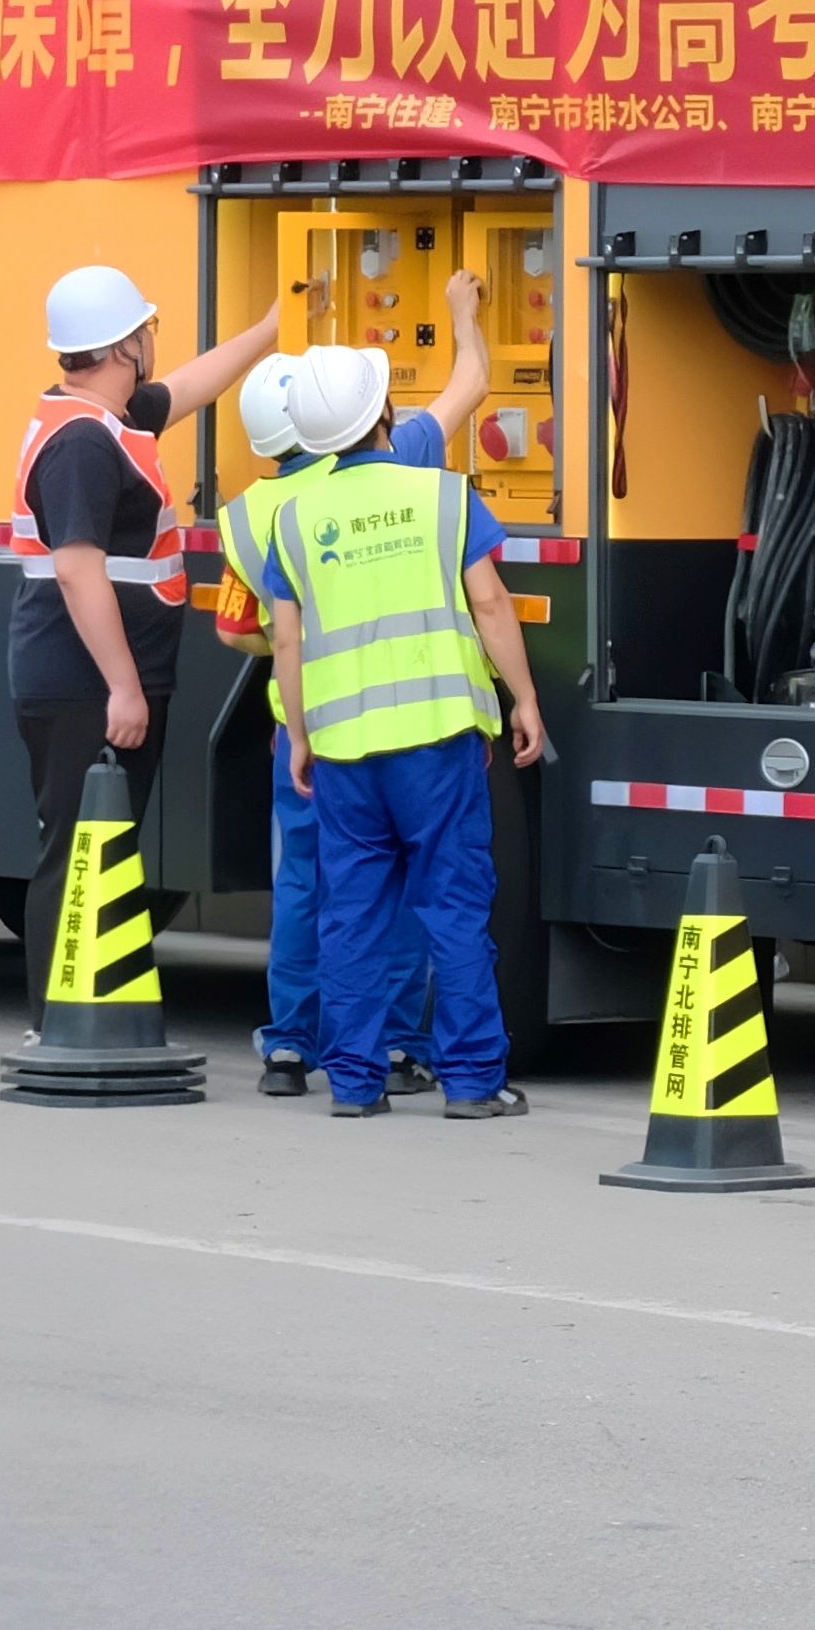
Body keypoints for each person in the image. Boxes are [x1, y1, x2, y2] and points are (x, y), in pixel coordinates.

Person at [246, 336, 551, 1116]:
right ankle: (473, 1082)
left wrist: (300, 737)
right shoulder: (443, 496)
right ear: (384, 410)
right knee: (452, 908)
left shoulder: (295, 519)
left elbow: (288, 642)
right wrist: (522, 698)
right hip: (439, 743)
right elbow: (491, 603)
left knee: (351, 914)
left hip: (344, 753)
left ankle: (354, 1084)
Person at [221, 281, 488, 1098]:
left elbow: (242, 630)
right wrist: (463, 315)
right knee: (403, 891)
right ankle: (399, 1044)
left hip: (306, 735)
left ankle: (292, 1047)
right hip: (414, 727)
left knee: (311, 889)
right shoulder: (404, 460)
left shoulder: (250, 515)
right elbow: (470, 384)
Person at [14, 262, 279, 1021]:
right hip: (85, 684)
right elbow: (77, 571)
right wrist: (124, 688)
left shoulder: (110, 419)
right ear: (123, 347)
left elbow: (190, 386)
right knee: (78, 852)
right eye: (146, 330)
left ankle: (89, 1014)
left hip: (97, 677)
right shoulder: (83, 444)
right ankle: (58, 1023)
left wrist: (268, 332)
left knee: (103, 846)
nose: (153, 343)